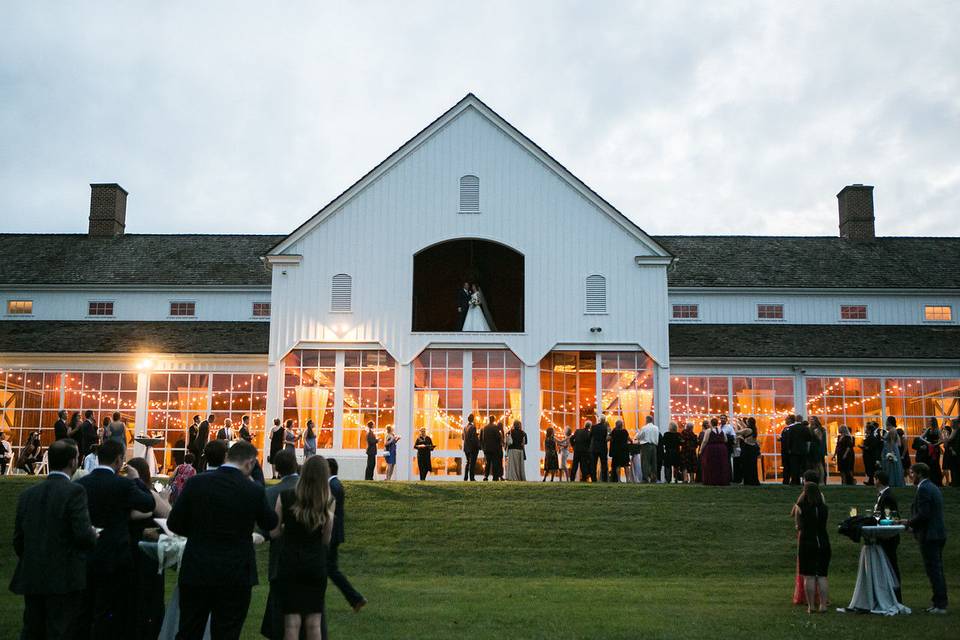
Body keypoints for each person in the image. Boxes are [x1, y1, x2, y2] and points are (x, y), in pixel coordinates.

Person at [167, 440, 279, 638]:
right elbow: (270, 522)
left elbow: (174, 523)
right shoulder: (252, 489)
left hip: (197, 567)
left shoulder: (196, 483)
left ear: (227, 457)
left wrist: (196, 533)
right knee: (227, 632)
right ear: (250, 463)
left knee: (189, 630)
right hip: (235, 572)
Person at [10, 439, 98, 639]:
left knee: (32, 629)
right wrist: (93, 534)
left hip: (32, 573)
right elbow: (83, 535)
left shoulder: (27, 495)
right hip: (63, 576)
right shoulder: (75, 491)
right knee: (60, 630)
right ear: (73, 462)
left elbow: (18, 539)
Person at [75, 438, 156, 638]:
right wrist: (137, 480)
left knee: (85, 608)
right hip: (115, 556)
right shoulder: (122, 485)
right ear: (119, 460)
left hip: (86, 554)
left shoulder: (80, 485)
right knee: (111, 609)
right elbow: (147, 503)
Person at [271, 455, 334, 640]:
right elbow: (326, 540)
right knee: (314, 623)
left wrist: (285, 529)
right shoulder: (328, 501)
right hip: (315, 564)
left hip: (289, 562)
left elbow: (273, 533)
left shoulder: (286, 497)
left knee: (291, 623)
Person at [126, 456, 171, 640]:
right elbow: (169, 516)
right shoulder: (148, 495)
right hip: (147, 553)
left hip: (129, 551)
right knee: (149, 598)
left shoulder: (124, 493)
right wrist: (165, 499)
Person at [260, 449, 300, 640]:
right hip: (309, 560)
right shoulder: (311, 489)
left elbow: (267, 530)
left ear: (276, 467)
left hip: (280, 559)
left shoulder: (271, 492)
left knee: (279, 617)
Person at [901, 463, 948, 613]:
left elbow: (924, 514)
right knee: (937, 569)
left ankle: (940, 604)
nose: (910, 475)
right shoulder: (933, 487)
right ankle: (938, 601)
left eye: (912, 473)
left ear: (919, 473)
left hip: (930, 535)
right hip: (938, 534)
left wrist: (909, 523)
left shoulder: (924, 489)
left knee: (934, 570)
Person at [327, 458, 367, 623]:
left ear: (329, 469)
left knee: (330, 569)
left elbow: (330, 510)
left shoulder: (333, 486)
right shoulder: (335, 484)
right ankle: (354, 599)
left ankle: (355, 598)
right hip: (334, 532)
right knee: (329, 569)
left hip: (331, 533)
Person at [792, 474, 831, 614]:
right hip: (823, 540)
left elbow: (798, 525)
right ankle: (823, 605)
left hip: (807, 541)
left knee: (808, 575)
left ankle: (811, 606)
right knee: (821, 575)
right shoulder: (824, 507)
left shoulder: (801, 506)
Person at [872, 470, 903, 603]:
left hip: (888, 537)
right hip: (885, 536)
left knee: (891, 566)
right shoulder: (884, 495)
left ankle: (895, 597)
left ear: (878, 480)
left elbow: (889, 517)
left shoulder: (887, 497)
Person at [700, 420, 731, 486]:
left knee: (711, 464)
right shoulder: (721, 430)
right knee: (721, 464)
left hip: (711, 449)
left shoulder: (709, 430)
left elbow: (705, 441)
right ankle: (721, 480)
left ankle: (712, 480)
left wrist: (701, 449)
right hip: (722, 449)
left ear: (711, 423)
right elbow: (726, 440)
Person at [914, 421, 943, 487]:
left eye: (930, 421)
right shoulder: (928, 430)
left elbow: (942, 440)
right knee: (930, 465)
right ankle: (930, 481)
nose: (929, 422)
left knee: (935, 465)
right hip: (929, 449)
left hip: (935, 449)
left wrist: (935, 444)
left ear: (933, 422)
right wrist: (927, 442)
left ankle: (937, 482)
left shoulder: (937, 430)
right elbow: (921, 437)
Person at [785, 417, 812, 485]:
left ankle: (795, 481)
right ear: (801, 420)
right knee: (804, 467)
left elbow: (789, 440)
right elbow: (809, 438)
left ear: (796, 420)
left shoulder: (791, 428)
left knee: (795, 467)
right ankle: (804, 481)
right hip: (803, 450)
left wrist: (789, 449)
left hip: (794, 451)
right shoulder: (805, 428)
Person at [480, 416, 503, 481]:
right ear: (493, 420)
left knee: (487, 463)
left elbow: (482, 438)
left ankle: (486, 476)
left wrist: (483, 447)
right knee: (494, 463)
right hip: (494, 448)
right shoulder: (495, 428)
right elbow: (498, 437)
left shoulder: (484, 428)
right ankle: (495, 477)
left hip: (487, 448)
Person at [638, 415, 660, 483]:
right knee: (653, 463)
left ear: (647, 420)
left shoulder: (644, 428)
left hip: (646, 446)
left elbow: (640, 436)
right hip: (654, 446)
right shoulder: (656, 428)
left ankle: (645, 478)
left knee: (645, 462)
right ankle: (654, 478)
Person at [861, 422, 883, 486]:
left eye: (866, 429)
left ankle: (877, 481)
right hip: (869, 454)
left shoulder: (873, 436)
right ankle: (871, 481)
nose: (865, 430)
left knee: (873, 468)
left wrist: (864, 447)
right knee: (870, 468)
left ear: (869, 430)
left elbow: (872, 446)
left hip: (871, 455)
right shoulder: (870, 436)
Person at [807, 417, 827, 483]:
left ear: (816, 420)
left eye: (812, 419)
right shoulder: (811, 428)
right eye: (810, 419)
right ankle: (817, 480)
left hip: (817, 448)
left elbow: (820, 439)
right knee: (815, 465)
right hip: (812, 448)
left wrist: (816, 434)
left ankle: (821, 481)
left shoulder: (817, 429)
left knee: (819, 464)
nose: (810, 421)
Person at [590, 417, 609, 482]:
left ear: (599, 420)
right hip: (603, 448)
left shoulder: (593, 427)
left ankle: (594, 479)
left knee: (593, 464)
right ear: (604, 421)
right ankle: (604, 479)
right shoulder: (605, 428)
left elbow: (590, 436)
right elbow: (606, 437)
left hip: (594, 448)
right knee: (604, 464)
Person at [463, 414, 480, 481]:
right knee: (472, 463)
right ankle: (472, 478)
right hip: (472, 448)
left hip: (466, 448)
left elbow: (463, 437)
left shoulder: (465, 427)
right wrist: (477, 445)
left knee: (468, 462)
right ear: (473, 419)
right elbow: (473, 439)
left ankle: (465, 477)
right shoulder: (473, 427)